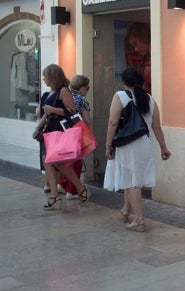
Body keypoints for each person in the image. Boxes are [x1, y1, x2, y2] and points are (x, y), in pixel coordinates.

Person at [103, 68, 171, 232]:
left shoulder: (120, 96)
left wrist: (108, 145)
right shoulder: (150, 99)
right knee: (132, 176)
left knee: (132, 180)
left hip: (128, 143)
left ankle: (139, 218)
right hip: (144, 143)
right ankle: (127, 209)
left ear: (124, 81)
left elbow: (112, 123)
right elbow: (157, 127)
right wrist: (164, 147)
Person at [40, 64, 91, 210]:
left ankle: (81, 189)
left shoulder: (63, 91)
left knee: (59, 164)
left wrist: (52, 109)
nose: (43, 79)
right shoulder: (50, 93)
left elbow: (71, 111)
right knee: (47, 162)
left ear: (53, 76)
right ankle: (54, 196)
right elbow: (45, 113)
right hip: (48, 131)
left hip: (59, 131)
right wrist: (39, 126)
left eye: (45, 76)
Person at [59, 75, 93, 200]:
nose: (87, 90)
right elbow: (87, 119)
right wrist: (90, 134)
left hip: (63, 131)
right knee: (76, 162)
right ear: (82, 87)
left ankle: (63, 185)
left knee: (66, 160)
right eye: (87, 88)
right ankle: (72, 191)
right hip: (77, 133)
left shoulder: (64, 95)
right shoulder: (81, 99)